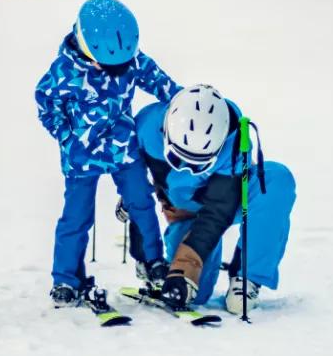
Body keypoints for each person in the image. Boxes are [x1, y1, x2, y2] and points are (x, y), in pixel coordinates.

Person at [35, 0, 181, 307]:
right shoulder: (64, 71)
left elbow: (161, 83)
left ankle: (153, 261)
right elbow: (46, 104)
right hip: (81, 154)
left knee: (142, 201)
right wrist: (65, 134)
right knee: (76, 217)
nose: (116, 69)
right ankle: (65, 278)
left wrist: (185, 102)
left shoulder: (132, 60)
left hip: (122, 147)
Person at [127, 85, 296, 314]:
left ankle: (247, 278)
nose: (188, 169)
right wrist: (147, 256)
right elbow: (134, 190)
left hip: (228, 203)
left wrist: (185, 265)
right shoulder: (145, 127)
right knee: (196, 293)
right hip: (184, 211)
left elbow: (219, 210)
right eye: (178, 159)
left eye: (199, 164)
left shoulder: (235, 138)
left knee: (276, 180)